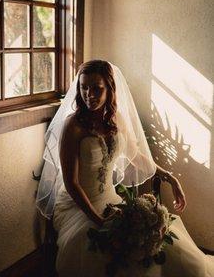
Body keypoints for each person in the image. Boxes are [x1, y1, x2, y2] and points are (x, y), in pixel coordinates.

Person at [36, 60, 214, 277]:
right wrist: (100, 222)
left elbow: (136, 157)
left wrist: (169, 177)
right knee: (104, 254)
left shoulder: (116, 119)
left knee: (164, 246)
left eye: (96, 88)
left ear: (110, 88)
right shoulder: (73, 125)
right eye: (83, 87)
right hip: (78, 205)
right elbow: (72, 184)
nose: (89, 94)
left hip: (110, 199)